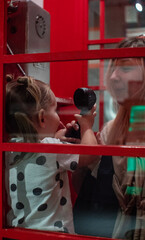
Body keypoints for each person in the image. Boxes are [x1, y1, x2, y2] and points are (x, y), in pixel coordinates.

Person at [5, 75, 98, 234]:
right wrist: (87, 127)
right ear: (42, 118)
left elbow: (37, 150)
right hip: (53, 235)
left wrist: (54, 138)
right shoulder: (53, 150)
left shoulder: (9, 148)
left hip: (18, 233)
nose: (59, 116)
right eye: (55, 110)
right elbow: (91, 155)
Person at [73, 35, 145, 239]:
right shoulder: (109, 131)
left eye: (126, 68)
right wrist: (82, 153)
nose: (113, 77)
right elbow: (92, 193)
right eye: (113, 68)